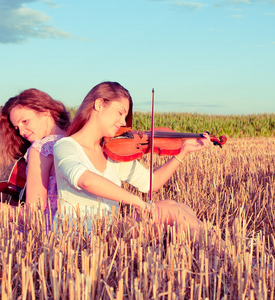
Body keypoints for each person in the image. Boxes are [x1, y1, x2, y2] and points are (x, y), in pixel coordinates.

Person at [53, 81, 218, 244]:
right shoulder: (66, 146)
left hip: (109, 232)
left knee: (173, 206)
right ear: (99, 105)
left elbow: (150, 183)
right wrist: (138, 202)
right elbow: (86, 180)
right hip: (78, 238)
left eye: (125, 116)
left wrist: (183, 152)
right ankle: (219, 250)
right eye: (120, 112)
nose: (124, 122)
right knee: (167, 210)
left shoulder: (112, 151)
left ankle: (210, 249)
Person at [0, 88, 70, 230]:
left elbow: (34, 218)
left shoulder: (41, 150)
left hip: (48, 233)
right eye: (17, 127)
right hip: (77, 230)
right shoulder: (77, 140)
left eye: (25, 121)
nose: (21, 132)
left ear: (46, 112)